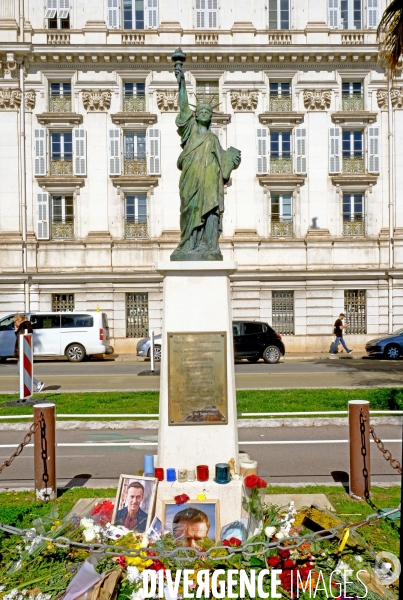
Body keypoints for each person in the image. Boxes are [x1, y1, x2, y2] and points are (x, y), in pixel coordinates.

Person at [171, 57, 241, 261]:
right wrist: (181, 81)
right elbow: (183, 106)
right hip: (191, 179)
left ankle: (210, 246)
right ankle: (187, 245)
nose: (203, 113)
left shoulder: (212, 138)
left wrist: (233, 161)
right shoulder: (190, 131)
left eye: (206, 111)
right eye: (200, 111)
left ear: (210, 116)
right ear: (195, 115)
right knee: (190, 209)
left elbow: (224, 164)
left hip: (210, 182)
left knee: (210, 212)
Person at [14, 313, 44, 394]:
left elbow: (26, 335)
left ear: (19, 320)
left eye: (15, 321)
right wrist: (17, 330)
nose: (14, 323)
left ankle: (38, 383)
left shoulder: (25, 326)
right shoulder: (22, 326)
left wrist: (18, 329)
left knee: (22, 371)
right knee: (20, 371)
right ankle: (24, 386)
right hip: (22, 351)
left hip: (24, 351)